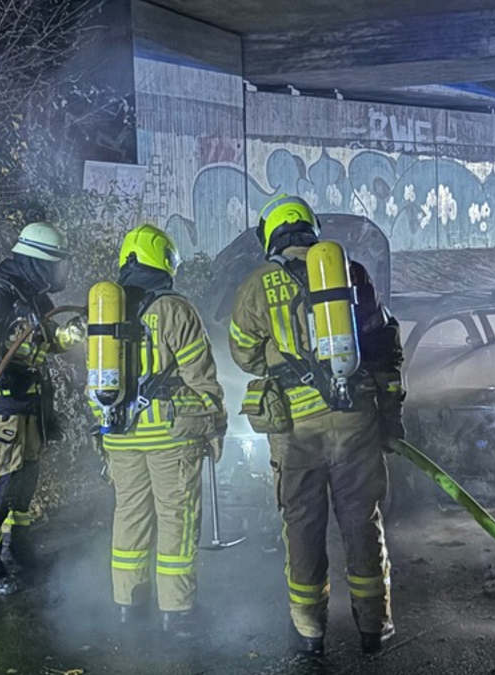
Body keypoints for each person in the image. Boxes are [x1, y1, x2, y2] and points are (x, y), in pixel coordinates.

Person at [228, 195, 404, 656]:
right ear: (311, 229)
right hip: (354, 422)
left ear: (271, 236)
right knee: (362, 523)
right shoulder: (353, 273)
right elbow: (384, 343)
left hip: (295, 432)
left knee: (303, 528)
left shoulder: (256, 286)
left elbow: (243, 354)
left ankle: (309, 632)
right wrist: (391, 414)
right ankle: (374, 627)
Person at [90, 224, 226, 637]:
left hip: (118, 435)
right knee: (176, 519)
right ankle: (178, 612)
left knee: (129, 516)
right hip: (171, 436)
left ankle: (129, 605)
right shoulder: (174, 308)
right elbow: (200, 374)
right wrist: (215, 423)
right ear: (165, 261)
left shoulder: (105, 309)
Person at [0, 222, 84, 594]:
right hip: (1, 403)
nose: (62, 272)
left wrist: (75, 333)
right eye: (58, 263)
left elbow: (49, 341)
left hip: (29, 403)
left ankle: (16, 547)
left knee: (25, 480)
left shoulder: (36, 299)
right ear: (39, 263)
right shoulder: (0, 293)